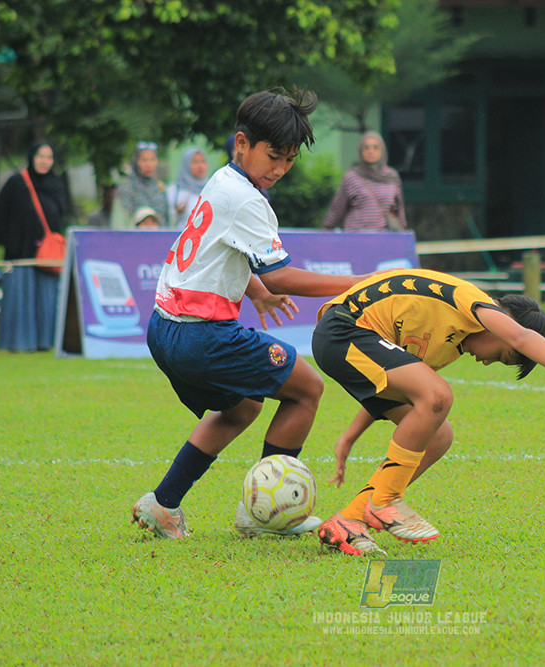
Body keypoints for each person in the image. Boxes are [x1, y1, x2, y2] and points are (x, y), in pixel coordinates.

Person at [130, 87, 371, 540]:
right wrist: (360, 283)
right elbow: (282, 276)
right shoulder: (249, 200)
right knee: (307, 389)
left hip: (165, 328)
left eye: (289, 160)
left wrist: (254, 291)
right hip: (201, 335)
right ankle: (259, 516)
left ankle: (163, 505)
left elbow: (218, 253)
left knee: (242, 406)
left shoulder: (223, 180)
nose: (280, 169)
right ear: (242, 143)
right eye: (273, 155)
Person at [311, 268, 545, 556]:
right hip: (343, 330)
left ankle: (349, 520)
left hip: (350, 342)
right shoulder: (472, 301)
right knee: (438, 394)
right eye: (501, 355)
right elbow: (522, 337)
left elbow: (396, 387)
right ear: (501, 324)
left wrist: (349, 437)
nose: (487, 362)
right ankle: (385, 499)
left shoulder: (448, 345)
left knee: (438, 435)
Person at [0, 141, 70, 352]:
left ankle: (46, 341)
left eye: (49, 157)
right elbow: (2, 213)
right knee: (21, 297)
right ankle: (20, 342)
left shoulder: (56, 185)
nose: (45, 161)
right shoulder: (17, 183)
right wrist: (11, 245)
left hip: (47, 253)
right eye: (40, 156)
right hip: (21, 252)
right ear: (31, 157)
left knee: (46, 298)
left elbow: (60, 215)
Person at [322, 131, 407, 233]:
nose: (371, 151)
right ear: (361, 151)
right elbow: (337, 210)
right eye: (366, 148)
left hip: (382, 239)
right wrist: (325, 232)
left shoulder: (392, 177)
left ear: (382, 150)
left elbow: (399, 211)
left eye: (375, 147)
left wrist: (403, 232)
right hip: (355, 237)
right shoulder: (352, 177)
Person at [115, 141, 170, 228]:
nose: (149, 164)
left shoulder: (160, 187)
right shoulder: (127, 188)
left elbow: (167, 219)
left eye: (152, 159)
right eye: (144, 160)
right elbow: (119, 223)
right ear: (136, 162)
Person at [166, 147, 209, 226]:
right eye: (195, 162)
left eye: (203, 161)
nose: (200, 166)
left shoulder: (211, 189)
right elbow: (167, 219)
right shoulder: (175, 190)